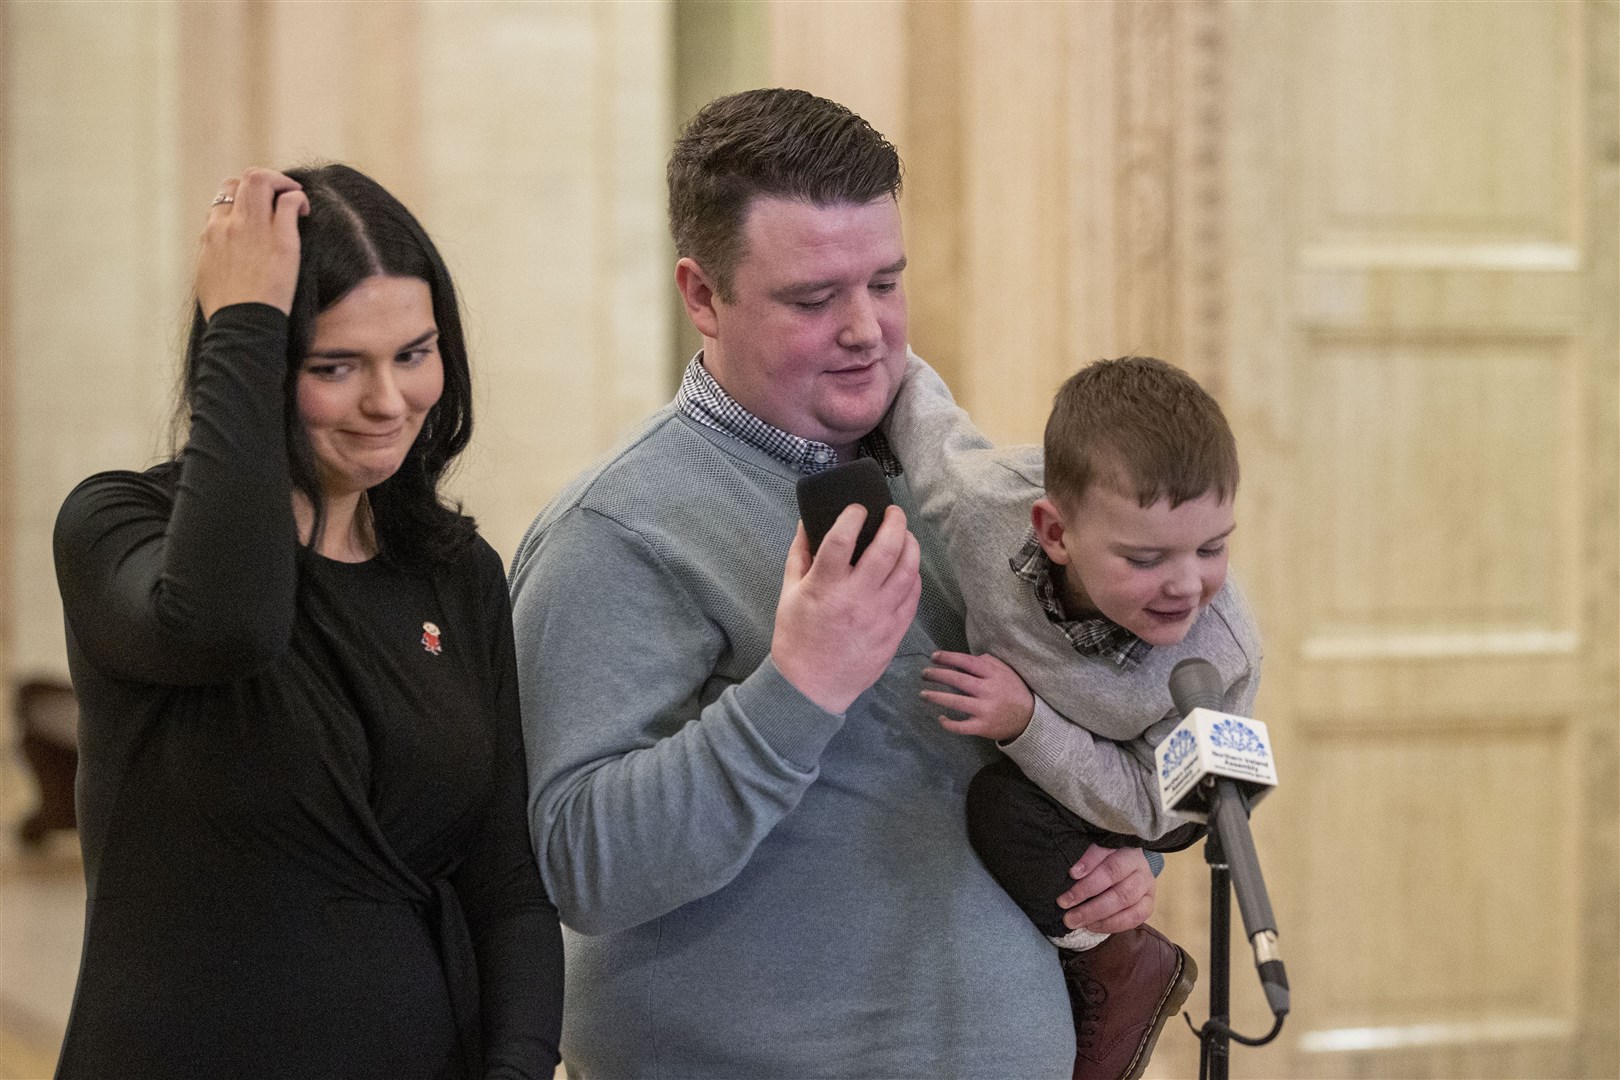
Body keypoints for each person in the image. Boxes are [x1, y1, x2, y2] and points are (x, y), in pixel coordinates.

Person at [508, 88, 1158, 1079]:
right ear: (701, 294)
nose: (867, 330)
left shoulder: (974, 497)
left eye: (886, 284)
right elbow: (581, 866)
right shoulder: (615, 532)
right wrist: (801, 686)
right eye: (814, 299)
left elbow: (1096, 716)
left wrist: (1121, 857)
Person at [52, 165, 563, 1079]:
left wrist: (519, 1068)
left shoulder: (455, 574)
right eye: (336, 366)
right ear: (255, 367)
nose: (388, 401)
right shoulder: (117, 531)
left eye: (414, 353)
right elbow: (227, 626)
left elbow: (507, 887)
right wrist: (241, 318)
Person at [886, 353, 1263, 1079]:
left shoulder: (1225, 650)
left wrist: (1026, 722)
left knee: (1005, 807)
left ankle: (1117, 967)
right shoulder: (979, 506)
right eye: (1147, 558)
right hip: (1060, 720)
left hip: (1162, 779)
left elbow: (1161, 807)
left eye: (1213, 547)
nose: (1188, 585)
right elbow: (915, 409)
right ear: (1055, 533)